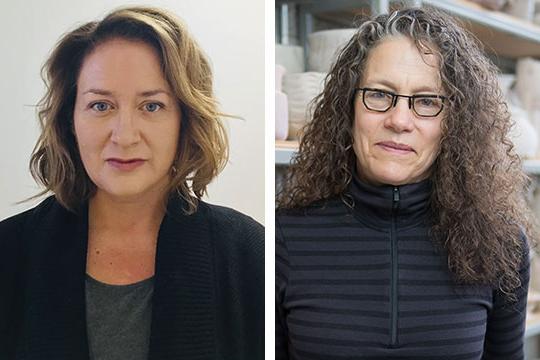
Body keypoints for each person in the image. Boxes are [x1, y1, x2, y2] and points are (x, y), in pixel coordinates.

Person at [0, 6, 264, 360]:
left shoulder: (251, 255)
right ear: (69, 120)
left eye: (152, 106)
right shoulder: (10, 253)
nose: (124, 136)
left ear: (185, 120)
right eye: (101, 105)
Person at [276, 8, 537, 359]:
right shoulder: (283, 239)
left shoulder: (501, 246)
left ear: (454, 123)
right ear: (347, 107)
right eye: (380, 94)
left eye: (427, 101)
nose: (399, 120)